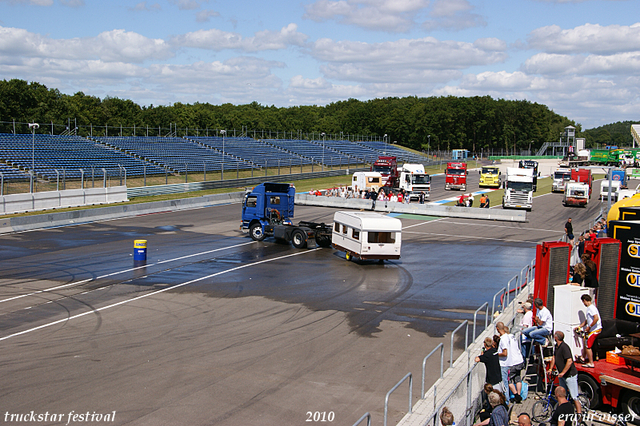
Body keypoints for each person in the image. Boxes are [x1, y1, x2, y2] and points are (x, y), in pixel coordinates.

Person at [548, 331, 581, 416]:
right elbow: (554, 357)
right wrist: (551, 368)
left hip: (570, 376)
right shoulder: (557, 346)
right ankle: (563, 411)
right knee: (562, 394)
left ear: (556, 338)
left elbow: (569, 361)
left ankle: (579, 414)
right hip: (562, 376)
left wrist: (563, 372)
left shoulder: (564, 347)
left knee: (574, 397)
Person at [497, 323, 525, 403]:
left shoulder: (505, 339)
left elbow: (506, 352)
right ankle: (519, 394)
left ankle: (516, 395)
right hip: (520, 360)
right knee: (517, 378)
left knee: (508, 379)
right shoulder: (513, 337)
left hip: (513, 362)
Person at [576, 294, 602, 368]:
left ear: (584, 300)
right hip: (592, 329)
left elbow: (596, 318)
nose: (583, 304)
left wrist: (589, 327)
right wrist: (580, 326)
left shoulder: (591, 308)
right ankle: (582, 357)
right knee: (585, 339)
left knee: (588, 345)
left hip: (595, 330)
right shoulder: (590, 308)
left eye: (583, 302)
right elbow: (588, 320)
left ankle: (591, 363)